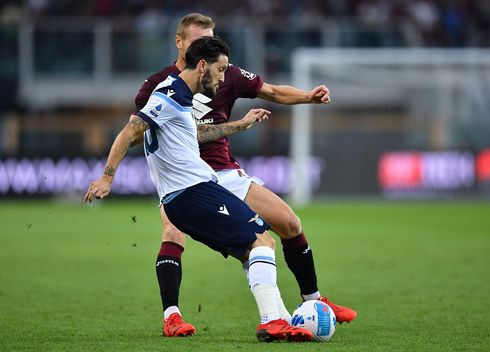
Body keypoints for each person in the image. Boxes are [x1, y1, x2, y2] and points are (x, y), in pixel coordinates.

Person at [95, 13, 357, 337]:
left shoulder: (219, 76)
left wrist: (302, 99)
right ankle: (175, 316)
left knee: (282, 227)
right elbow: (134, 131)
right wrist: (109, 175)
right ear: (184, 46)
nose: (220, 74)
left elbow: (264, 95)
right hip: (188, 183)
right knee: (193, 235)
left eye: (210, 38)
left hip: (217, 175)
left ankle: (297, 310)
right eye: (198, 41)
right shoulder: (163, 87)